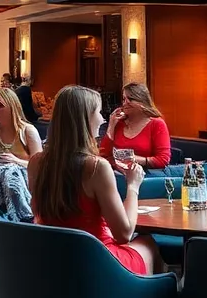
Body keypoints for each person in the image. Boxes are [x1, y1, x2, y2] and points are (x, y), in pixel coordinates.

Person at [29, 85, 162, 276]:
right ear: (86, 119)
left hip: (53, 260)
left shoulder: (35, 163)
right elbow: (124, 234)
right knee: (148, 242)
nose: (102, 118)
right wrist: (133, 186)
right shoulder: (96, 168)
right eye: (98, 112)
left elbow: (38, 213)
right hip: (96, 263)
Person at [98, 82, 172, 170]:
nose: (126, 103)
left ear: (142, 101)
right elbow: (103, 155)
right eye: (124, 99)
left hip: (145, 175)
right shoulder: (118, 123)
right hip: (116, 175)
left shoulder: (157, 124)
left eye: (131, 99)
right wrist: (111, 126)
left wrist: (133, 159)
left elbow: (163, 159)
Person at [0, 87, 42, 168]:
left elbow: (39, 166)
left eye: (0, 105)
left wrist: (16, 161)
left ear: (12, 107)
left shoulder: (27, 130)